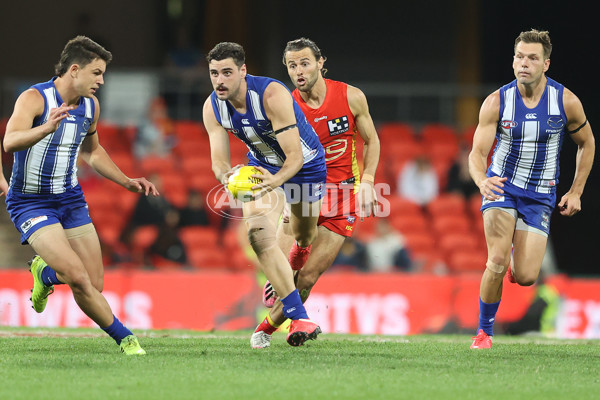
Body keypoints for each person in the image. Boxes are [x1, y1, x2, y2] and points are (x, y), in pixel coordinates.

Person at [3, 36, 159, 355]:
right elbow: (10, 142)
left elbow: (93, 151)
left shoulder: (90, 106)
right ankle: (127, 339)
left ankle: (43, 273)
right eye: (97, 73)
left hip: (70, 199)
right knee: (76, 276)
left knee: (93, 284)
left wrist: (126, 181)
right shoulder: (34, 99)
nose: (101, 81)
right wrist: (45, 129)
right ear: (75, 70)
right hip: (30, 201)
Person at [468, 29, 595, 349]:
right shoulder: (497, 101)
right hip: (502, 188)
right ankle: (484, 333)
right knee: (495, 260)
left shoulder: (565, 101)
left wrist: (576, 190)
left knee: (525, 277)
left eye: (532, 58)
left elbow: (587, 143)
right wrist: (482, 180)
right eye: (519, 56)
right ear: (513, 61)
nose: (524, 63)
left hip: (540, 195)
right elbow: (477, 153)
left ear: (546, 64)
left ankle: (515, 258)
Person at [251, 38, 380, 349]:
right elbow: (280, 156)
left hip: (343, 196)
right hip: (303, 190)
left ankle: (264, 331)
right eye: (292, 65)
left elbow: (372, 141)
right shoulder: (285, 106)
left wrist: (369, 181)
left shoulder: (351, 97)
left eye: (305, 63)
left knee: (305, 280)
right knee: (283, 275)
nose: (299, 70)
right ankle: (290, 272)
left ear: (321, 62)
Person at [202, 41, 327, 347]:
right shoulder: (212, 107)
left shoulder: (272, 95)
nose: (220, 80)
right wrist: (226, 174)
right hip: (260, 166)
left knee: (304, 236)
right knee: (258, 235)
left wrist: (277, 184)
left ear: (243, 71)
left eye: (227, 72)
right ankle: (300, 316)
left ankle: (299, 249)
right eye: (214, 73)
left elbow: (295, 158)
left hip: (305, 169)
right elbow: (218, 160)